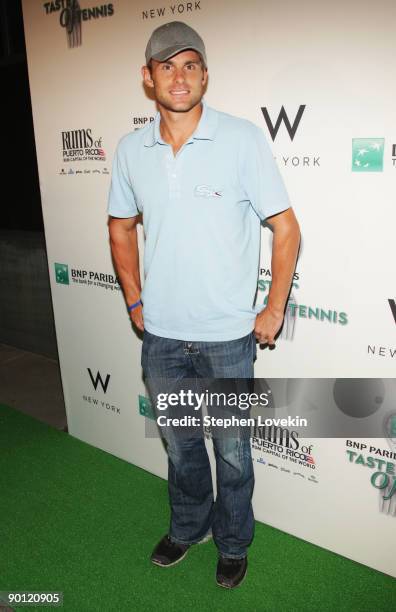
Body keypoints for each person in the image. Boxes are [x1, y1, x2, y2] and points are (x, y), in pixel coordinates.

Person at [107, 21, 300, 589]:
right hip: (162, 337)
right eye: (167, 65)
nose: (180, 76)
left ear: (205, 75)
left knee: (234, 454)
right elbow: (120, 229)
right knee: (182, 447)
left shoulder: (241, 139)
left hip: (227, 338)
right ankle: (188, 527)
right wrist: (135, 300)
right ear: (148, 78)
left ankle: (234, 541)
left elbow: (286, 230)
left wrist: (273, 308)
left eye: (191, 64)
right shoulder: (129, 150)